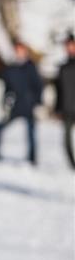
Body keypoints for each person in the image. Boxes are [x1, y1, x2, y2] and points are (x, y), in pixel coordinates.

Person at [0, 41, 44, 165]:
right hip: (15, 106)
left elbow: (38, 86)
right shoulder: (11, 68)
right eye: (17, 50)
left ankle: (32, 158)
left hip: (29, 105)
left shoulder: (31, 67)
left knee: (31, 133)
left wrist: (38, 103)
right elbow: (7, 87)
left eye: (21, 50)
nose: (19, 52)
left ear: (25, 51)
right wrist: (5, 103)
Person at [54, 33, 75, 170]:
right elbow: (59, 90)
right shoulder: (62, 67)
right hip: (67, 108)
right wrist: (57, 108)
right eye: (66, 46)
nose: (69, 48)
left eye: (71, 45)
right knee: (66, 140)